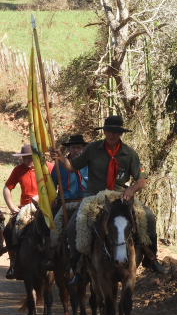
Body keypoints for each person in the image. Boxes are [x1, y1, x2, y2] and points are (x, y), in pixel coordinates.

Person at [49, 115, 167, 284]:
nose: (111, 134)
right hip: (94, 198)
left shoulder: (129, 153)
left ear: (121, 133)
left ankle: (151, 258)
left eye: (115, 132)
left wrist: (131, 189)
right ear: (104, 131)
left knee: (149, 216)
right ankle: (77, 268)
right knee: (73, 225)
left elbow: (142, 180)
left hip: (121, 197)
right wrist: (61, 159)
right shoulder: (92, 148)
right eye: (108, 131)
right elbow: (72, 167)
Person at [2, 144, 46, 279]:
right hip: (25, 208)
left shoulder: (47, 167)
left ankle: (56, 260)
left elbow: (56, 185)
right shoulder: (18, 170)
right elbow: (7, 188)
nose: (27, 161)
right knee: (9, 229)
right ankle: (14, 263)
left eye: (30, 158)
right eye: (24, 158)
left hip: (45, 206)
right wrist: (11, 206)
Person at [50, 134, 88, 204]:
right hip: (65, 202)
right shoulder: (59, 164)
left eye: (78, 147)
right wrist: (52, 199)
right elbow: (51, 184)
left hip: (86, 201)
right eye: (73, 147)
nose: (76, 150)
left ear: (83, 148)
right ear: (69, 149)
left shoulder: (88, 163)